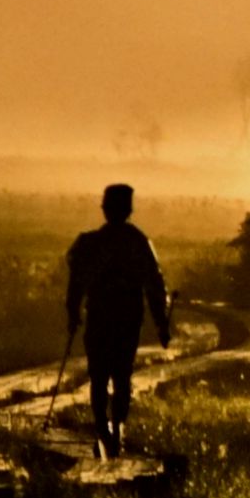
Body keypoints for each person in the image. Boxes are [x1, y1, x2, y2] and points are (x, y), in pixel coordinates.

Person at [65, 183, 171, 458]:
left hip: (100, 319)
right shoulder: (138, 242)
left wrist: (73, 314)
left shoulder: (90, 244)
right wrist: (161, 323)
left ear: (106, 209)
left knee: (99, 376)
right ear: (128, 209)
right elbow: (155, 285)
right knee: (122, 376)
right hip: (127, 321)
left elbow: (76, 284)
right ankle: (115, 428)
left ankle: (104, 429)